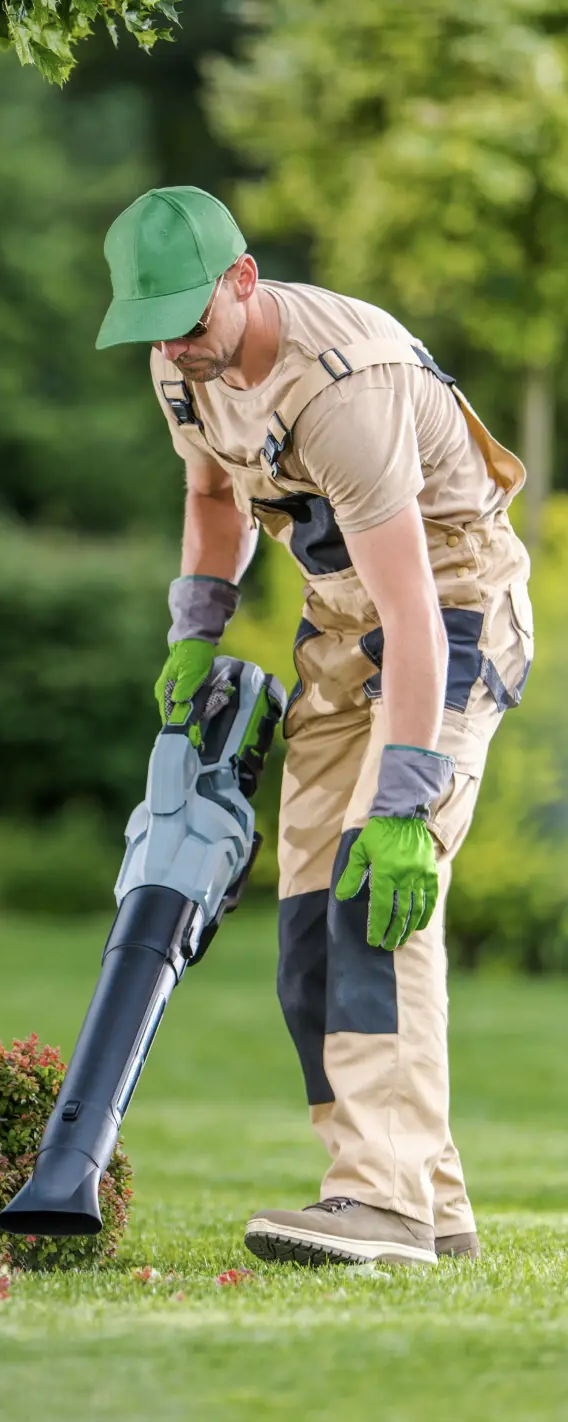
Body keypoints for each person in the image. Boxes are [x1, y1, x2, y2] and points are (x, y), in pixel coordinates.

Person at [96, 186, 534, 1267]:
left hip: (448, 613)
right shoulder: (179, 357)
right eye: (157, 330)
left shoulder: (347, 384)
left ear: (242, 278)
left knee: (373, 897)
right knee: (305, 932)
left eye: (193, 323)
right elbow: (211, 497)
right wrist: (196, 628)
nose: (180, 351)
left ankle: (379, 1201)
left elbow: (418, 614)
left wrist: (404, 801)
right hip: (339, 627)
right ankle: (431, 1206)